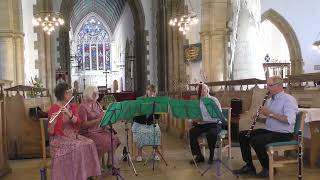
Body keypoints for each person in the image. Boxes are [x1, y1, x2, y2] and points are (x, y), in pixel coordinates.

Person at [233, 76, 298, 178]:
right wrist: (259, 119)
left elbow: (289, 120)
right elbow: (270, 119)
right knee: (243, 135)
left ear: (279, 86)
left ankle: (268, 168)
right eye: (267, 85)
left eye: (270, 85)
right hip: (270, 130)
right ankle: (249, 166)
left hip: (284, 134)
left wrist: (270, 114)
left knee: (257, 140)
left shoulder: (288, 100)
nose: (267, 88)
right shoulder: (270, 100)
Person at [48, 83, 101, 180]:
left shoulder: (72, 106)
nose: (71, 94)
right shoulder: (54, 109)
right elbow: (51, 132)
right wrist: (53, 123)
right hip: (60, 138)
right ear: (62, 94)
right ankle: (76, 176)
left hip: (73, 135)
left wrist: (70, 115)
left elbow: (78, 123)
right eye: (68, 92)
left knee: (90, 143)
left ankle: (87, 174)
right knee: (78, 146)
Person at [79, 86, 121, 169]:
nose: (96, 95)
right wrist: (98, 120)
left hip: (99, 130)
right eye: (93, 93)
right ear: (88, 94)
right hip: (88, 132)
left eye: (96, 93)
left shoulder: (97, 104)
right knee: (104, 142)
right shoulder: (82, 107)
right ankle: (96, 165)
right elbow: (83, 125)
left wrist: (108, 118)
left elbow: (102, 117)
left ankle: (110, 161)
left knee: (114, 138)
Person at [189, 83, 222, 164]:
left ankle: (211, 155)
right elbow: (197, 115)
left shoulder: (214, 100)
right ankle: (199, 155)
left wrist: (203, 119)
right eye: (199, 91)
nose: (202, 91)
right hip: (203, 124)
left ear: (207, 90)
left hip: (215, 124)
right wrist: (192, 120)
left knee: (211, 134)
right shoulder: (199, 102)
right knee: (192, 132)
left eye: (203, 89)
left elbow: (218, 115)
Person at [132, 84, 161, 162]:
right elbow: (135, 116)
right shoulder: (140, 100)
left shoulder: (156, 101)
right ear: (146, 91)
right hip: (140, 123)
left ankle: (155, 153)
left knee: (157, 130)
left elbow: (157, 117)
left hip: (150, 123)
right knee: (141, 131)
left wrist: (156, 107)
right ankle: (139, 154)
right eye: (150, 91)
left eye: (154, 91)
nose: (152, 93)